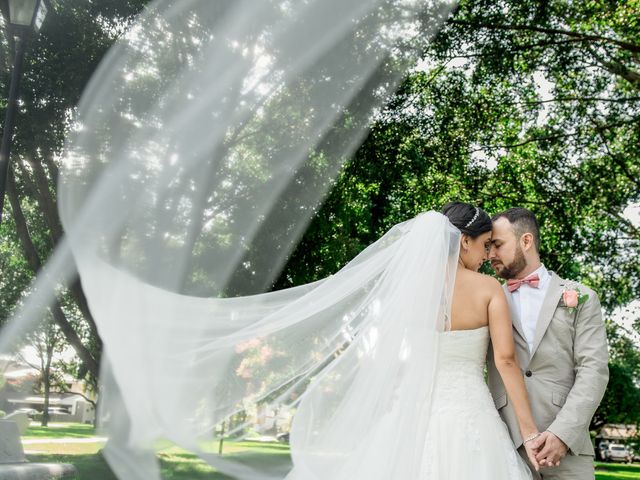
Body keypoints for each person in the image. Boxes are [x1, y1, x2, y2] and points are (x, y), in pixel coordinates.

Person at [488, 208, 609, 480]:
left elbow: (594, 371)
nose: (490, 255)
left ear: (526, 241)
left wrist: (562, 433)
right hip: (504, 445)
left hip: (569, 450)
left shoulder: (583, 297)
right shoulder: (485, 298)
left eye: (497, 245)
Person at [422, 202, 540, 479]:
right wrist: (529, 431)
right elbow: (506, 360)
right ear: (465, 241)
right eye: (486, 245)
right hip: (470, 411)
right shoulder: (487, 287)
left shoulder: (415, 292)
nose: (488, 255)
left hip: (422, 413)